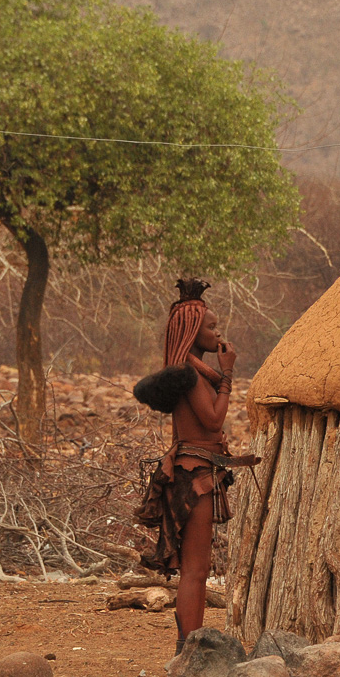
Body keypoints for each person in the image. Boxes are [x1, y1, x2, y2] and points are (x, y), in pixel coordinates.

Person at [136, 278, 238, 655]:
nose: (217, 332)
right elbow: (212, 421)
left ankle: (189, 645)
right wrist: (227, 376)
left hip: (194, 472)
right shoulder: (191, 376)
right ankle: (189, 649)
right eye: (211, 326)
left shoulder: (188, 373)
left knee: (195, 568)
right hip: (195, 477)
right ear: (194, 330)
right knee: (195, 569)